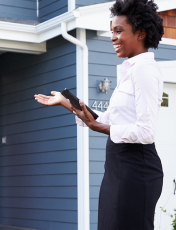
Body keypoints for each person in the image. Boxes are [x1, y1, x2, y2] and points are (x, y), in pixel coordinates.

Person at [34, 0, 164, 229]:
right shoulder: (128, 71)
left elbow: (146, 131)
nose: (113, 37)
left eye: (119, 31)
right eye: (112, 31)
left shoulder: (144, 70)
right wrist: (68, 104)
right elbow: (107, 121)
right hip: (117, 167)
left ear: (141, 33)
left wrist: (100, 128)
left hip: (136, 169)